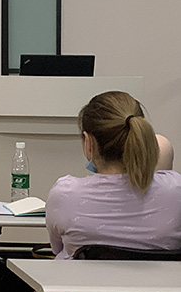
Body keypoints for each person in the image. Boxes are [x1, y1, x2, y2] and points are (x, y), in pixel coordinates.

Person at [46, 91, 181, 260]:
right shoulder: (175, 189)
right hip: (159, 278)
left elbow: (56, 247)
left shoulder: (65, 194)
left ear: (88, 142)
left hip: (82, 277)